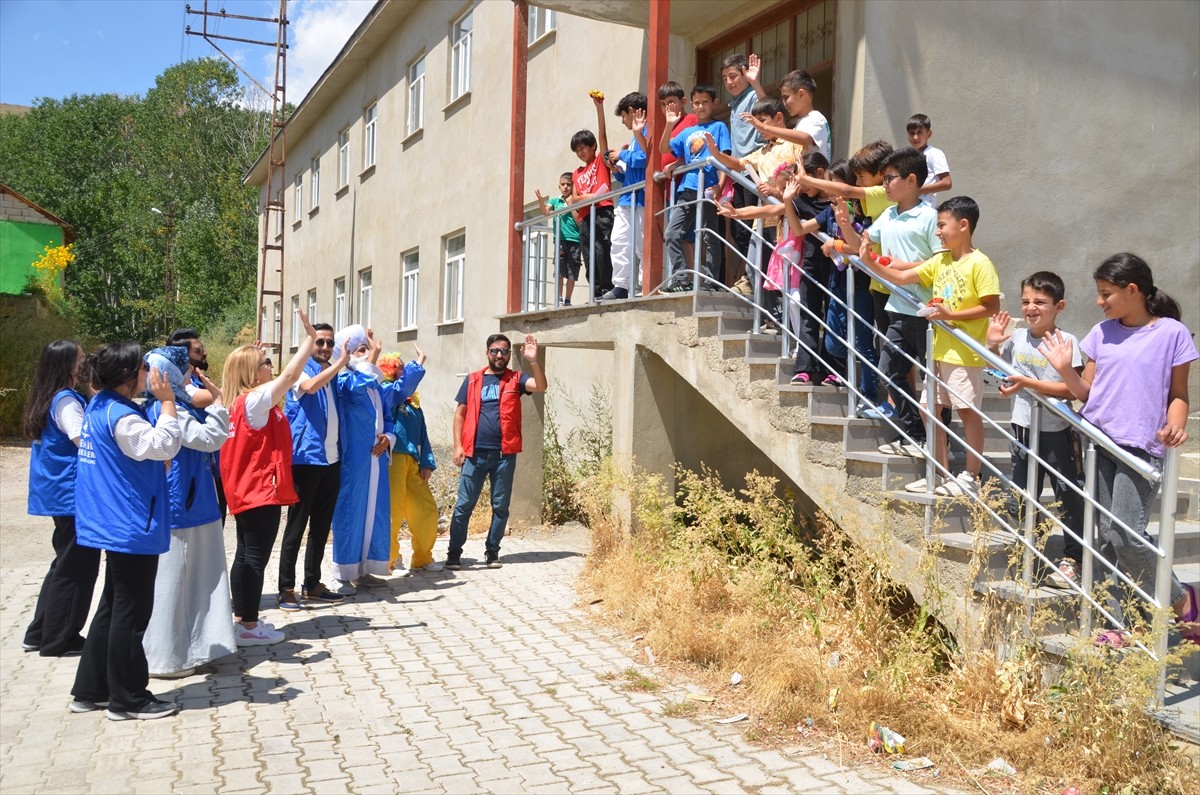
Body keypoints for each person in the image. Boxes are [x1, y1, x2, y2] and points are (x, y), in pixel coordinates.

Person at [1043, 253, 1198, 643]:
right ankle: (1120, 624)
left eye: (1105, 293)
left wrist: (1175, 426)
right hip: (1098, 443)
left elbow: (1178, 394)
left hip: (1141, 449)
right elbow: (1087, 393)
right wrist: (1065, 370)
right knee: (1108, 537)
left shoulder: (1172, 334)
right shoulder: (1101, 332)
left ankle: (1180, 600)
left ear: (1133, 290)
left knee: (1124, 532)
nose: (1100, 301)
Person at [854, 196, 1000, 498]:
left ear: (963, 225)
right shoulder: (941, 261)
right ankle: (940, 473)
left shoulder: (980, 263)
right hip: (938, 351)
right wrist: (868, 261)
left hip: (963, 353)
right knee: (928, 410)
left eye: (942, 226)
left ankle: (972, 474)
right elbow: (902, 276)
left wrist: (951, 315)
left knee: (967, 412)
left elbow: (990, 306)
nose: (938, 232)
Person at [70, 342, 182, 720]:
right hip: (130, 523)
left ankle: (91, 689)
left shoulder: (99, 406)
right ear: (124, 378)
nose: (147, 376)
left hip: (112, 519)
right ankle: (128, 698)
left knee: (112, 607)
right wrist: (168, 404)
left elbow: (131, 457)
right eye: (141, 369)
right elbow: (162, 444)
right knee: (132, 615)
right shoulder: (121, 414)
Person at [220, 310, 317, 646]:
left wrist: (252, 354)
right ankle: (248, 625)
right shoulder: (256, 400)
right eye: (264, 362)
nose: (270, 365)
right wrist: (310, 339)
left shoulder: (238, 402)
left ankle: (240, 619)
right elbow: (290, 377)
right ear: (251, 372)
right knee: (255, 559)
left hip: (245, 489)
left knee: (245, 554)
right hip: (260, 490)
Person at [141, 346, 236, 677]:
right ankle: (166, 658)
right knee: (176, 582)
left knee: (189, 581)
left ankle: (194, 649)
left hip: (190, 503)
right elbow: (210, 438)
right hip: (184, 506)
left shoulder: (167, 406)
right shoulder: (172, 410)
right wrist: (220, 403)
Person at [986, 273, 1084, 588]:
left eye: (1040, 302)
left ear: (1059, 306)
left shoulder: (1067, 341)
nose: (1031, 308)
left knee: (1068, 496)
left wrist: (1026, 383)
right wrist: (993, 345)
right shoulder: (1017, 339)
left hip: (1058, 432)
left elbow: (1070, 389)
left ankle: (1074, 559)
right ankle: (1032, 544)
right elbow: (1004, 376)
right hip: (1023, 428)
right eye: (1026, 301)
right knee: (1021, 496)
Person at [834, 147, 940, 426]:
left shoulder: (931, 218)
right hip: (897, 307)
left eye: (889, 178)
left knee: (934, 380)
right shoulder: (889, 215)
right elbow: (862, 248)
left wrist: (903, 269)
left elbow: (941, 264)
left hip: (927, 311)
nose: (884, 186)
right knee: (889, 370)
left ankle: (938, 438)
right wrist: (846, 227)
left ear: (911, 180)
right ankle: (913, 430)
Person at [329, 325, 423, 594]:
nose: (367, 354)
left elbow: (389, 416)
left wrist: (389, 438)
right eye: (361, 350)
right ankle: (343, 573)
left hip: (376, 459)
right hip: (354, 460)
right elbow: (356, 389)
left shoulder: (375, 385)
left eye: (367, 350)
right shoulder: (345, 380)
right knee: (351, 512)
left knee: (376, 513)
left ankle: (367, 568)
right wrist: (374, 356)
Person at [22, 340, 99, 658]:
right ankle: (60, 638)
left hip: (60, 492)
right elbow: (84, 441)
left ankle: (41, 632)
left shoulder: (53, 396)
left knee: (63, 565)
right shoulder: (67, 401)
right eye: (80, 358)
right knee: (77, 568)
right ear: (68, 365)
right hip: (71, 493)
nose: (84, 363)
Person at [446, 334, 548, 569]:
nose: (499, 355)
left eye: (504, 351)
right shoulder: (472, 380)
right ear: (487, 353)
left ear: (509, 355)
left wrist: (533, 361)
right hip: (474, 454)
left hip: (504, 455)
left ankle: (492, 552)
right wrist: (458, 446)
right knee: (463, 506)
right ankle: (454, 553)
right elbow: (460, 414)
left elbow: (541, 386)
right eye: (494, 351)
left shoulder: (516, 379)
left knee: (500, 506)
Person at [277, 322, 350, 611]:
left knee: (321, 527)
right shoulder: (300, 370)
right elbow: (308, 387)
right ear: (309, 344)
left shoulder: (330, 373)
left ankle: (312, 583)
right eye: (319, 342)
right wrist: (340, 363)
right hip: (305, 460)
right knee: (296, 528)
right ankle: (286, 588)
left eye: (329, 343)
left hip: (331, 460)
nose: (325, 348)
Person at [659, 84, 731, 291]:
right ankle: (682, 277)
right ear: (691, 105)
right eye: (697, 103)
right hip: (688, 188)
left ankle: (711, 281)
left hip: (708, 187)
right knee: (672, 233)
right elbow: (664, 148)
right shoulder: (688, 131)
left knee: (710, 235)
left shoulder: (719, 128)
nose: (700, 107)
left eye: (705, 102)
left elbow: (724, 159)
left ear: (714, 103)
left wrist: (719, 185)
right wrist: (669, 124)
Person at [387, 345, 441, 575]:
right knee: (393, 512)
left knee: (426, 509)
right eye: (398, 367)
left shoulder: (413, 403)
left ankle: (422, 558)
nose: (402, 370)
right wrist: (419, 360)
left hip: (413, 461)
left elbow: (423, 433)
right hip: (394, 459)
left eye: (404, 367)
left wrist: (427, 462)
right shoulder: (387, 394)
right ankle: (390, 559)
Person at [593, 91, 650, 302]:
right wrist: (616, 168)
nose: (624, 121)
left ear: (632, 112)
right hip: (627, 198)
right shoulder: (633, 138)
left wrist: (622, 155)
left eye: (624, 116)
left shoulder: (647, 132)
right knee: (619, 242)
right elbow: (632, 172)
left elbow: (647, 158)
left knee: (642, 245)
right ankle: (621, 286)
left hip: (643, 198)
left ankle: (646, 286)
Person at [719, 53, 766, 266]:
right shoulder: (735, 103)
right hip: (738, 172)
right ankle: (751, 275)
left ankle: (754, 275)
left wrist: (756, 83)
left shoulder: (753, 96)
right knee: (739, 230)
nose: (729, 82)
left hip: (754, 169)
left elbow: (768, 110)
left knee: (751, 226)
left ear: (746, 75)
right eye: (725, 78)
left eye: (734, 76)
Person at [742, 69, 830, 160]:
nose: (784, 103)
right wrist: (755, 83)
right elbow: (770, 108)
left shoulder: (816, 118)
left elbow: (805, 138)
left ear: (801, 94)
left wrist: (763, 127)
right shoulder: (800, 123)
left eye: (786, 97)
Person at [567, 128, 615, 297]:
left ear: (593, 146)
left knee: (602, 249)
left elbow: (603, 135)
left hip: (602, 209)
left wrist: (599, 109)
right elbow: (574, 199)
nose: (580, 152)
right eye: (577, 150)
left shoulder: (600, 162)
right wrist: (588, 196)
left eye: (583, 148)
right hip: (585, 215)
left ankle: (607, 288)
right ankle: (594, 292)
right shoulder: (576, 173)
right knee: (588, 254)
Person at [535, 174, 583, 306]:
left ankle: (568, 299)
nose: (566, 187)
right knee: (560, 271)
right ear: (559, 186)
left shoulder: (576, 200)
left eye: (569, 184)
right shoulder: (555, 201)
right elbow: (545, 212)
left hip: (574, 240)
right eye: (563, 185)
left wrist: (571, 204)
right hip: (560, 240)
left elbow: (579, 221)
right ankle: (559, 298)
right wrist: (540, 200)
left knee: (572, 271)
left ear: (573, 186)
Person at [906, 114, 952, 207]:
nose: (915, 137)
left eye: (919, 132)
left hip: (925, 208)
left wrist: (918, 190)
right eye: (912, 133)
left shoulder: (934, 154)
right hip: (908, 208)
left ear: (929, 134)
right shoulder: (907, 157)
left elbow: (947, 183)